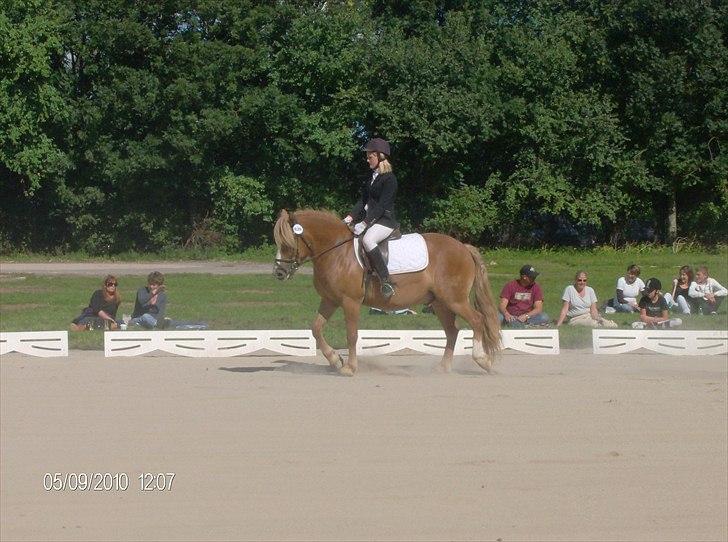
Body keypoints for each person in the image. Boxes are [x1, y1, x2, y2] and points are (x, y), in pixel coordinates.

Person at [343, 137, 398, 298]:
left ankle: (386, 280)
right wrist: (350, 217)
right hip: (373, 220)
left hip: (385, 221)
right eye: (367, 157)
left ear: (380, 156)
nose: (367, 160)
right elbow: (364, 200)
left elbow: (381, 206)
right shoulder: (372, 177)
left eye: (370, 157)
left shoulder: (390, 179)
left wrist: (365, 222)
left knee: (368, 240)